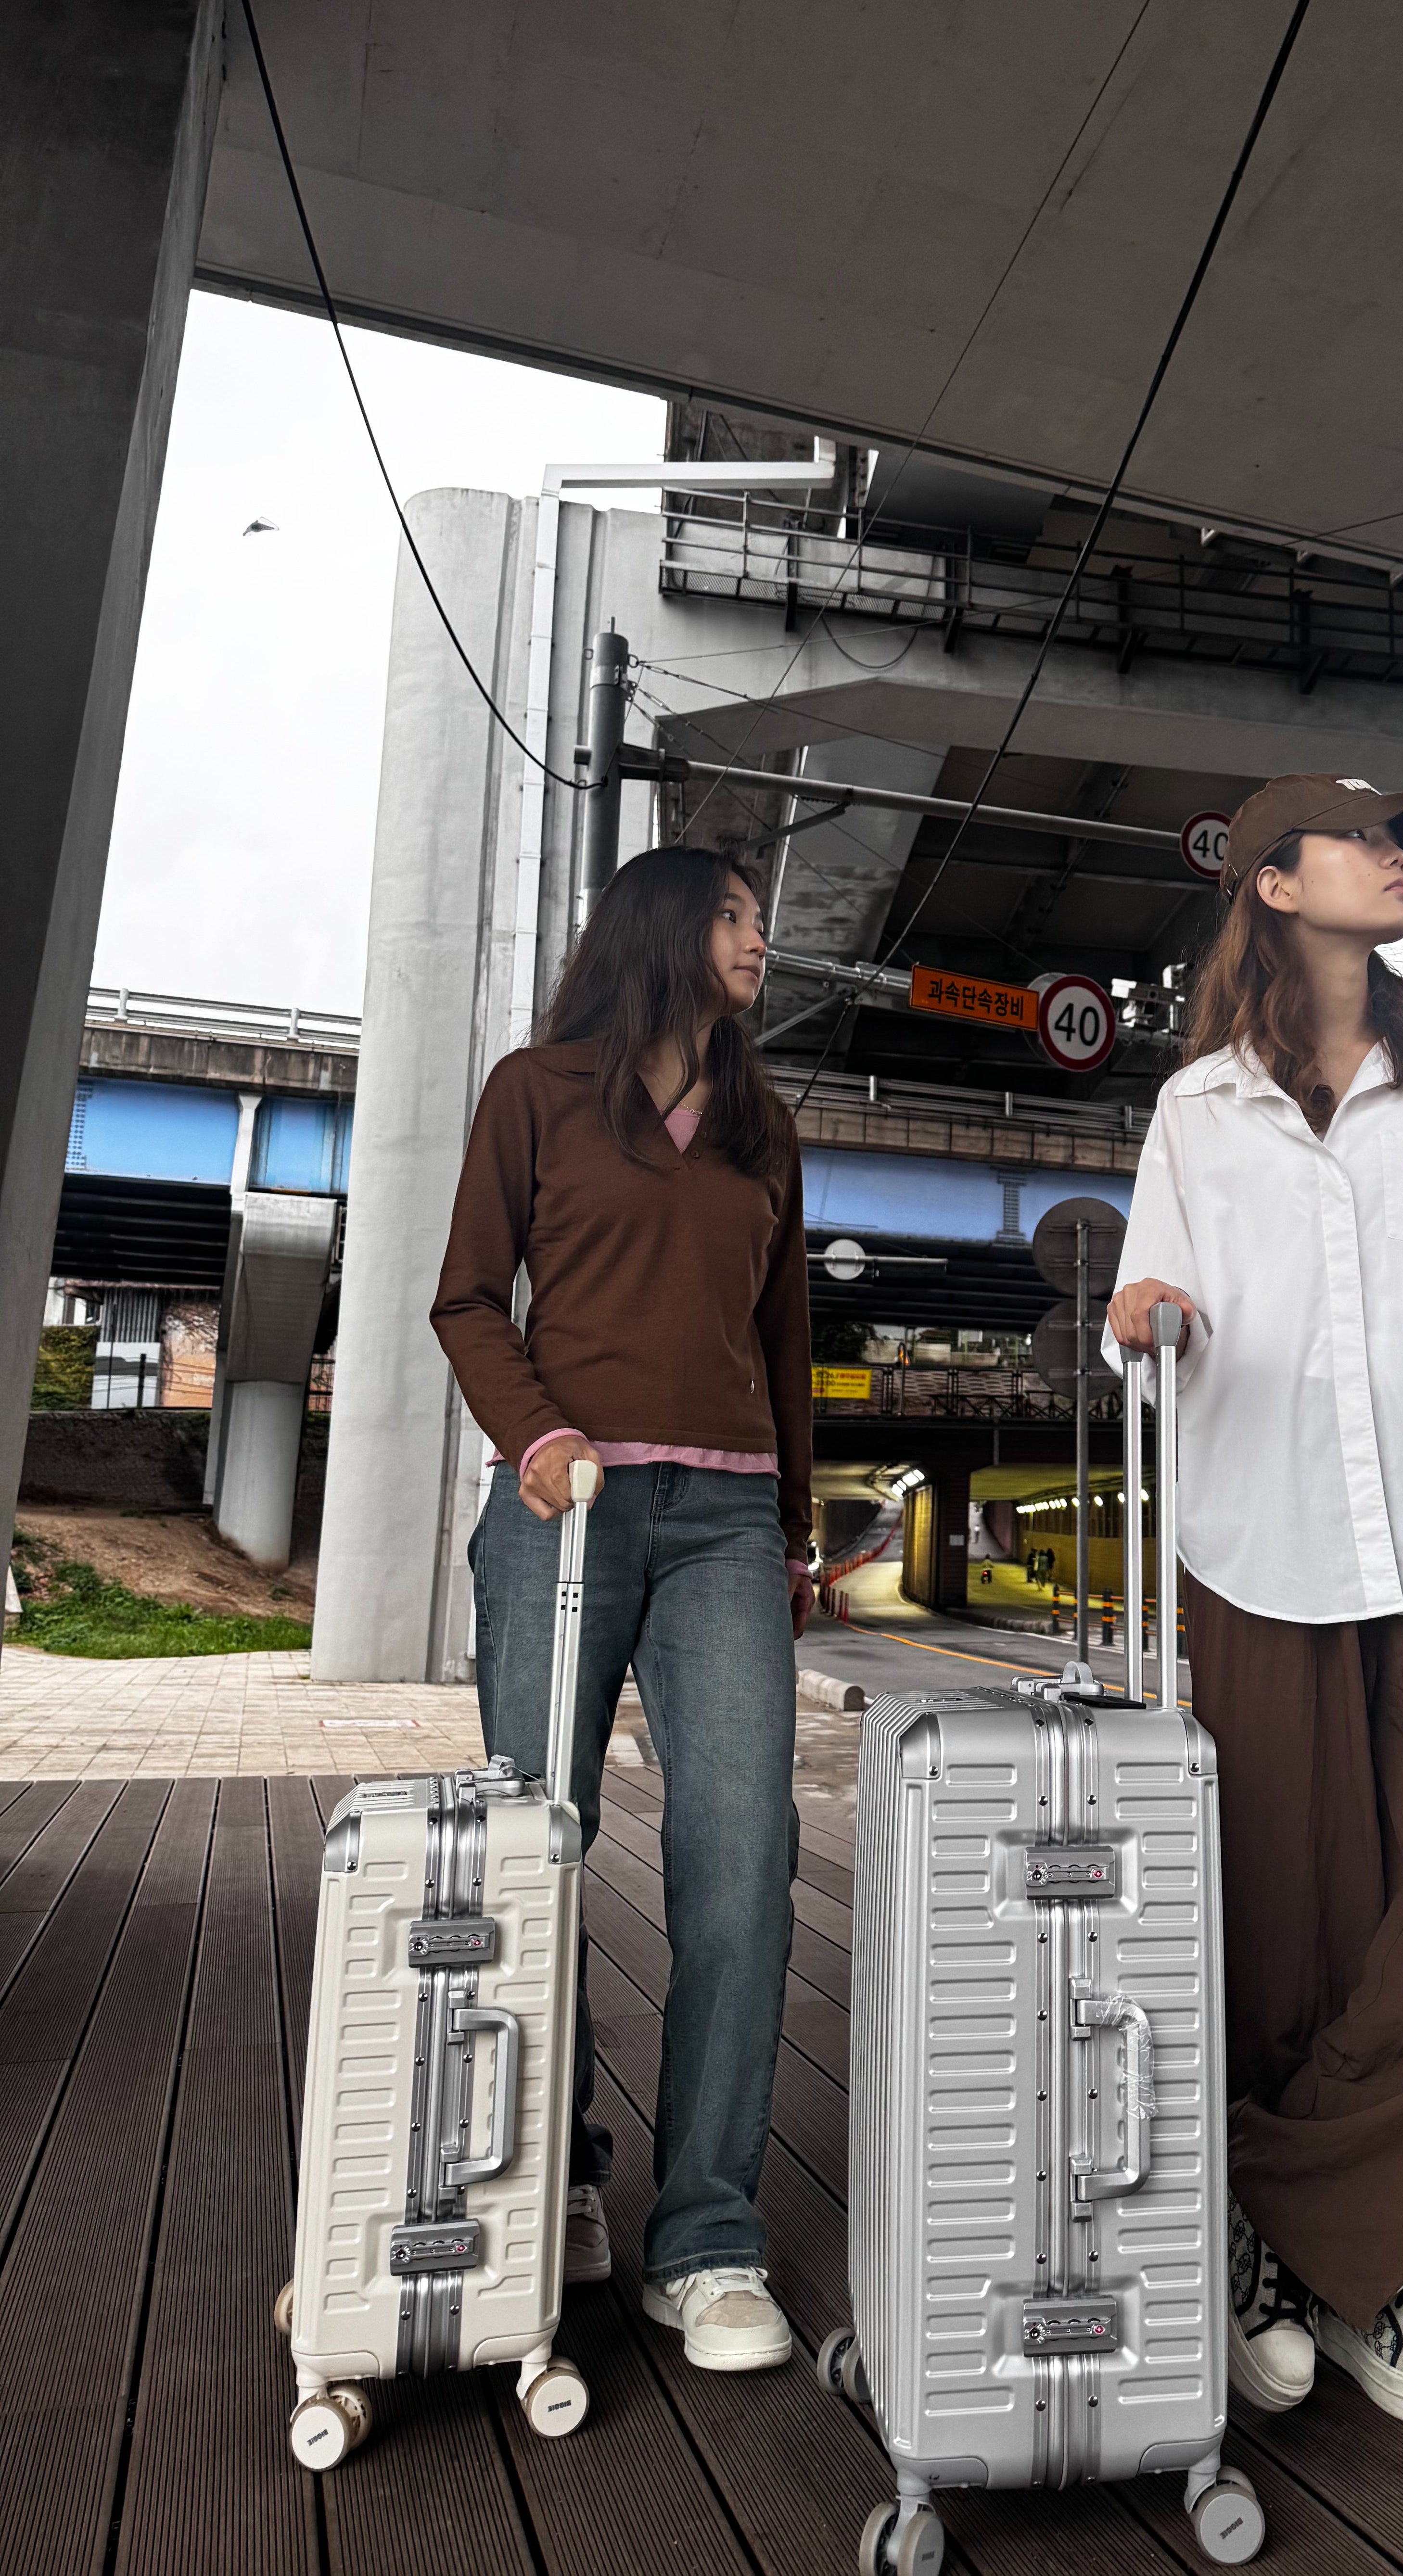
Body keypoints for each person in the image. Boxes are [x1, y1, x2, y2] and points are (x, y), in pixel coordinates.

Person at [1106, 774, 1403, 2433]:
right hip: (1269, 1533)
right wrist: (1150, 1304)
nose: (1400, 856)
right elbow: (1146, 1292)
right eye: (1367, 836)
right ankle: (1375, 2268)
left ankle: (1290, 2216)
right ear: (1269, 880)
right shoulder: (1196, 1110)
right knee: (1293, 1917)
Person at [431, 845, 814, 2374]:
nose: (756, 938)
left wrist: (790, 1528)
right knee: (542, 1848)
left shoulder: (763, 1127)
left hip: (725, 1521)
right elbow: (467, 1296)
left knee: (743, 1858)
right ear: (661, 926)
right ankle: (556, 2177)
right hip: (561, 1510)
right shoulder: (536, 1091)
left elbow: (786, 1340)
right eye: (729, 913)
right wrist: (537, 1432)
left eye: (759, 919)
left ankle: (708, 2233)